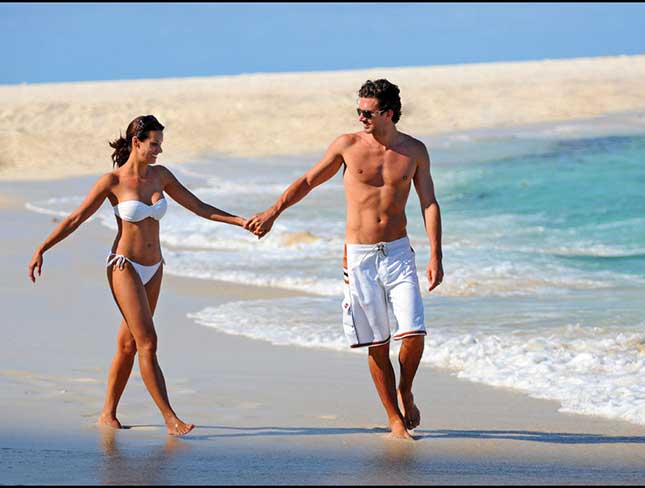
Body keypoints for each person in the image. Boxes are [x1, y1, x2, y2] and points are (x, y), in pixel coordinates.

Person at [245, 80, 444, 440]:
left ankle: (406, 389)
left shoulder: (414, 151)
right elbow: (308, 180)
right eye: (358, 111)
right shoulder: (347, 146)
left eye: (367, 112)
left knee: (413, 334)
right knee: (378, 342)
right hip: (360, 256)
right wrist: (273, 212)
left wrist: (436, 254)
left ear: (388, 113)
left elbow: (428, 202)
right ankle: (394, 419)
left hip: (399, 252)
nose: (361, 117)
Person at [28, 115, 249, 436]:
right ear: (137, 142)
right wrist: (42, 248)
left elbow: (199, 206)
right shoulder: (112, 182)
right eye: (154, 144)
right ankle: (170, 418)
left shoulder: (161, 177)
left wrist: (240, 222)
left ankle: (107, 413)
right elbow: (76, 218)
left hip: (155, 267)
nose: (159, 150)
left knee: (128, 344)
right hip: (124, 266)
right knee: (148, 341)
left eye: (161, 144)